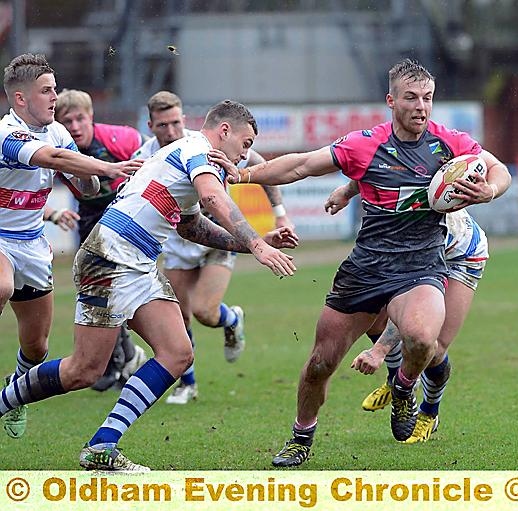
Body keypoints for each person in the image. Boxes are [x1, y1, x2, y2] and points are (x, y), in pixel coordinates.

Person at [212, 58, 511, 467]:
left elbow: (498, 169)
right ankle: (301, 438)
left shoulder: (449, 143)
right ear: (391, 101)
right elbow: (302, 164)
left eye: (427, 98)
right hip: (366, 268)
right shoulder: (365, 144)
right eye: (410, 97)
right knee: (320, 363)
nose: (420, 106)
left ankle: (403, 388)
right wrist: (244, 176)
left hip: (421, 267)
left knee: (424, 339)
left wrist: (489, 191)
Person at [0, 99, 298, 471]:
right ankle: (5, 401)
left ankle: (102, 446)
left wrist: (257, 244)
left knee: (178, 352)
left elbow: (192, 226)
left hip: (137, 263)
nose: (245, 153)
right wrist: (254, 243)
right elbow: (211, 197)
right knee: (84, 370)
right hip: (109, 257)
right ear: (224, 131)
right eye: (246, 142)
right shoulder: (198, 150)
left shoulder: (187, 153)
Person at [0, 53, 141, 439]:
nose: (55, 97)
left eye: (55, 88)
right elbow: (55, 158)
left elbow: (77, 176)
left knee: (37, 348)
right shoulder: (7, 134)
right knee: (1, 286)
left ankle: (15, 394)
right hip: (0, 241)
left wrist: (91, 181)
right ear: (20, 99)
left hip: (32, 246)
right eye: (47, 91)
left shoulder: (58, 132)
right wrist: (108, 167)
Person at [134, 91, 294, 404]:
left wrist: (279, 215)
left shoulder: (210, 146)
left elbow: (263, 168)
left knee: (205, 312)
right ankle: (187, 384)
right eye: (163, 125)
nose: (171, 131)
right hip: (182, 238)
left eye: (176, 122)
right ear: (151, 126)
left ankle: (231, 320)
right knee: (179, 316)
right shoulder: (148, 155)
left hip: (220, 233)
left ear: (184, 119)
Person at [325, 179, 490, 443]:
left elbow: (413, 315)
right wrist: (346, 191)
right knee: (374, 313)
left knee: (432, 347)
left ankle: (429, 413)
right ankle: (395, 380)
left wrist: (378, 351)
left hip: (462, 256)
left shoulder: (420, 231)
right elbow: (370, 167)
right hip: (419, 257)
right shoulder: (390, 208)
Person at [55, 89, 148, 392]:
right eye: (67, 121)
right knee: (95, 291)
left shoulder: (119, 139)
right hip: (90, 218)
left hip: (124, 219)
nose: (75, 126)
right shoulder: (62, 151)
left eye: (80, 118)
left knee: (119, 291)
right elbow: (85, 192)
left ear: (91, 116)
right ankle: (122, 358)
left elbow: (143, 155)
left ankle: (120, 359)